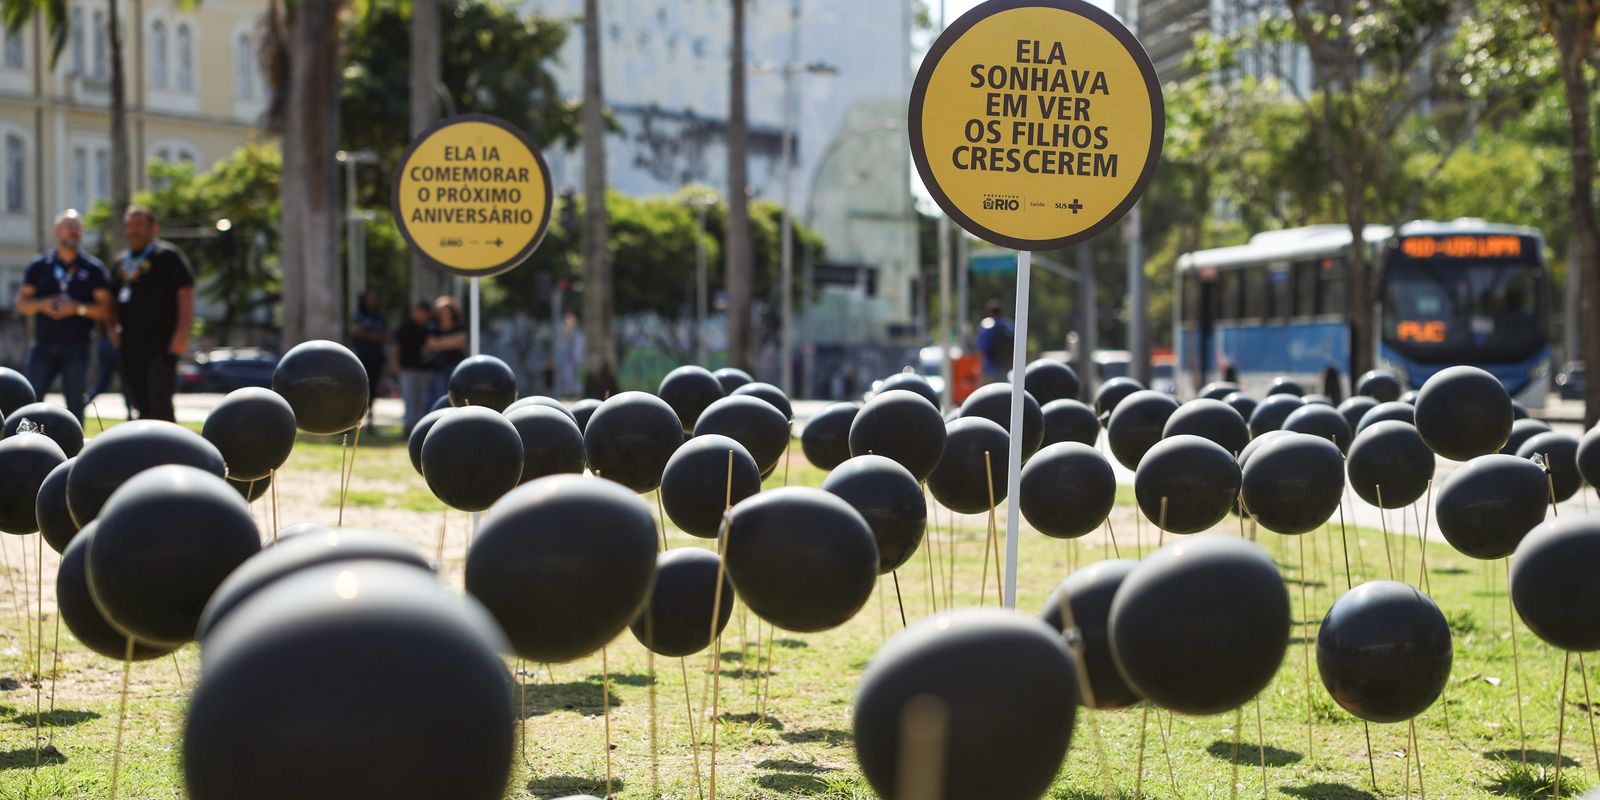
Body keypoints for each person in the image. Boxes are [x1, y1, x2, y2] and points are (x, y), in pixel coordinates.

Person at [13, 210, 112, 422]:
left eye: (78, 229)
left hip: (77, 346)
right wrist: (42, 305)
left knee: (75, 404)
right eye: (70, 227)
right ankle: (24, 447)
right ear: (57, 231)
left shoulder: (93, 268)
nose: (75, 233)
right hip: (43, 345)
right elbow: (21, 303)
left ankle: (75, 451)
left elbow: (105, 309)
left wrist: (77, 308)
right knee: (29, 401)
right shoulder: (40, 265)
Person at [113, 205, 194, 422]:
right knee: (139, 399)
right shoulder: (121, 262)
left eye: (139, 225)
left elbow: (185, 293)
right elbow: (110, 300)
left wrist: (182, 333)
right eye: (129, 225)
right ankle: (145, 449)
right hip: (130, 341)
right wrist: (112, 329)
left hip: (163, 341)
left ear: (153, 228)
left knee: (160, 397)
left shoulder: (168, 255)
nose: (133, 230)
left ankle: (170, 449)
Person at [393, 301, 433, 434]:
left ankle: (420, 428)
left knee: (422, 400)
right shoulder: (406, 327)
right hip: (408, 369)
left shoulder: (430, 328)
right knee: (410, 398)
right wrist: (396, 365)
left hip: (424, 370)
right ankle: (408, 427)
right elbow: (396, 347)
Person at [350, 288, 388, 421]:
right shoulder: (359, 315)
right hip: (362, 356)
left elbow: (384, 335)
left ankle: (370, 416)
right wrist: (373, 336)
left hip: (376, 357)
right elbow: (357, 332)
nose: (372, 302)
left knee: (373, 387)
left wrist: (368, 335)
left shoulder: (380, 316)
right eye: (369, 299)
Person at [422, 296, 467, 406]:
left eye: (446, 311)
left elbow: (460, 342)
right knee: (437, 398)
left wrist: (440, 343)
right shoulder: (433, 327)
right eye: (441, 311)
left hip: (455, 367)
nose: (443, 314)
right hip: (438, 368)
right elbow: (430, 344)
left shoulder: (459, 326)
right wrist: (450, 342)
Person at [975, 299, 1015, 384]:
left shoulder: (986, 326)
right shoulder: (1009, 326)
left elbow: (982, 348)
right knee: (1004, 393)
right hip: (1006, 368)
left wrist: (979, 366)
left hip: (989, 368)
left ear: (989, 312)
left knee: (988, 395)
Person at [556, 311, 584, 397]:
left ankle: (574, 393)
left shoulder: (580, 336)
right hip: (566, 363)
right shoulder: (563, 335)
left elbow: (578, 352)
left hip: (577, 364)